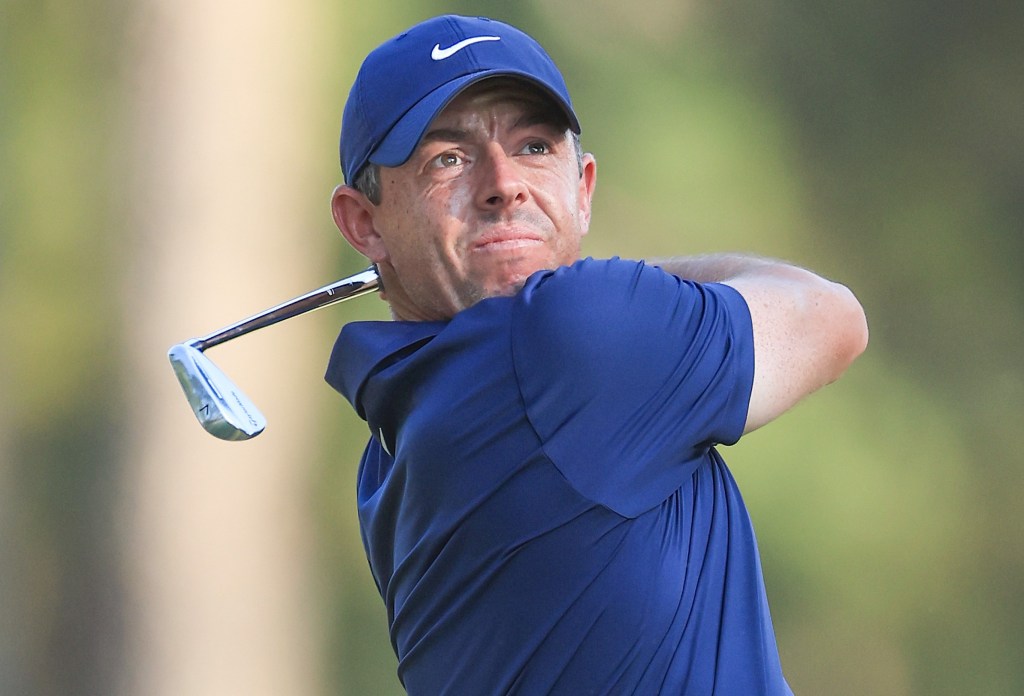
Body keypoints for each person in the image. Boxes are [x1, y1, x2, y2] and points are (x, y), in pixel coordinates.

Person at [325, 14, 868, 695]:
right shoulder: (572, 336)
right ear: (364, 222)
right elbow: (833, 318)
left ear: (581, 189)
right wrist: (598, 285)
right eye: (448, 159)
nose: (504, 183)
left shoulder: (387, 453)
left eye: (533, 147)